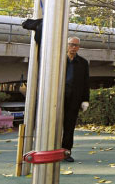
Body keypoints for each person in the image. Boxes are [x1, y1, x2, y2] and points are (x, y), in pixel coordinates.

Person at [20, 19, 90, 163]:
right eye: (71, 44)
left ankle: (66, 152)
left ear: (79, 47)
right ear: (67, 45)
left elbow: (85, 82)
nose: (73, 47)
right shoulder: (57, 59)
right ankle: (50, 149)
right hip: (57, 97)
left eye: (76, 45)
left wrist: (85, 99)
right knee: (52, 124)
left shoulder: (83, 63)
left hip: (74, 98)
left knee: (69, 126)